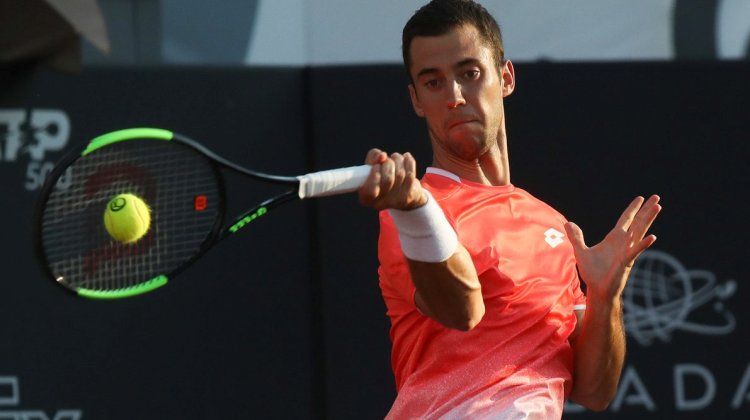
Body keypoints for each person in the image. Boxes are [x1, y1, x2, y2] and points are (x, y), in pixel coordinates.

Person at [357, 0, 663, 418]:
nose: (455, 96)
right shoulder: (410, 217)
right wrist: (415, 207)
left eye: (470, 73)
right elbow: (461, 310)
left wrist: (605, 296)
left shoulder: (550, 222)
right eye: (434, 83)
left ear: (505, 77)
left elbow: (594, 391)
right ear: (416, 99)